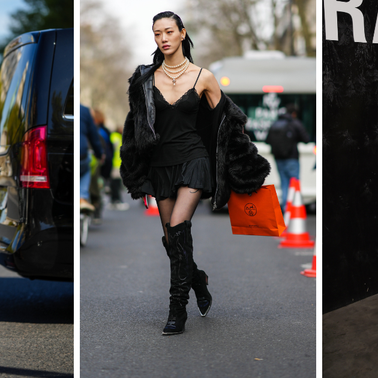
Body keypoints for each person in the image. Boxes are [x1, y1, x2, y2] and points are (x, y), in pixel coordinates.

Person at [120, 11, 270, 336]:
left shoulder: (204, 76)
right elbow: (135, 130)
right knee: (171, 241)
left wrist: (242, 165)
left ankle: (177, 311)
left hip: (194, 159)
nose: (163, 38)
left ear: (182, 33)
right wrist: (136, 170)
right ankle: (198, 280)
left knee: (177, 227)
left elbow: (226, 125)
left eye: (169, 31)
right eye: (157, 33)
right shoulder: (145, 80)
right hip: (161, 165)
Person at [265, 104, 310, 209]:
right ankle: (295, 209)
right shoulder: (295, 123)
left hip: (278, 159)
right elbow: (306, 139)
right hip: (292, 158)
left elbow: (267, 140)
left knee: (284, 184)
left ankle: (286, 210)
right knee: (294, 184)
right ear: (294, 113)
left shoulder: (276, 123)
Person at [80, 104, 104, 212]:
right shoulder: (85, 111)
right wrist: (100, 154)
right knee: (87, 167)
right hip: (82, 153)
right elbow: (94, 137)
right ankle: (82, 197)